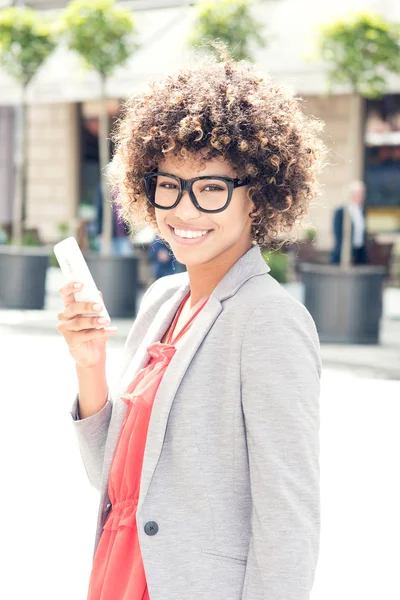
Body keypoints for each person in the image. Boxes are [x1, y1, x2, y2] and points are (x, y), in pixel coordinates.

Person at [57, 46, 325, 600]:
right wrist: (90, 366)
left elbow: (288, 517)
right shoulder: (162, 301)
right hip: (121, 571)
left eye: (210, 188)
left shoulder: (270, 320)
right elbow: (112, 480)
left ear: (260, 197)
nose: (184, 211)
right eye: (169, 185)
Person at [331, 180, 368, 265]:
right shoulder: (341, 211)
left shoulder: (362, 211)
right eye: (359, 194)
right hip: (345, 251)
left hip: (360, 250)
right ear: (352, 194)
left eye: (362, 194)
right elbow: (338, 233)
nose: (362, 196)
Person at [95, 181, 133, 256]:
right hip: (109, 235)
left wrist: (129, 235)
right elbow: (99, 211)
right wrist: (100, 232)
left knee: (126, 259)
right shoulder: (103, 189)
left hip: (123, 235)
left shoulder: (122, 189)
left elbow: (127, 214)